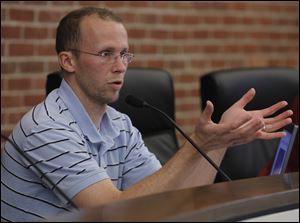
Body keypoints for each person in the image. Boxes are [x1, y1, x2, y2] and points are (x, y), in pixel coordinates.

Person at [1, 7, 293, 222]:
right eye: (106, 54)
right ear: (68, 61)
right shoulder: (47, 127)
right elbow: (111, 213)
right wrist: (198, 143)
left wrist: (218, 142)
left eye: (124, 54)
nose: (120, 66)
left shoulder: (119, 123)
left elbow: (171, 200)